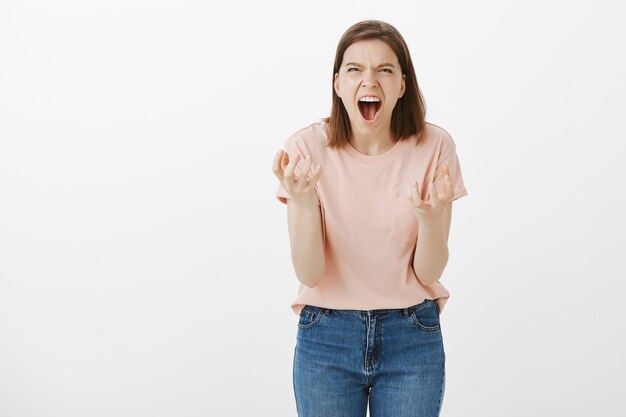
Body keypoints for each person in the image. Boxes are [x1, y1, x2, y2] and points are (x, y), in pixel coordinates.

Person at [272, 19, 467, 417]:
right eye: (355, 69)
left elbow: (429, 272)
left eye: (385, 70)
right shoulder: (306, 149)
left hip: (411, 336)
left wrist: (430, 221)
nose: (369, 81)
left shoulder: (435, 148)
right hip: (326, 337)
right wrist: (304, 202)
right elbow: (309, 274)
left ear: (402, 85)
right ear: (338, 83)